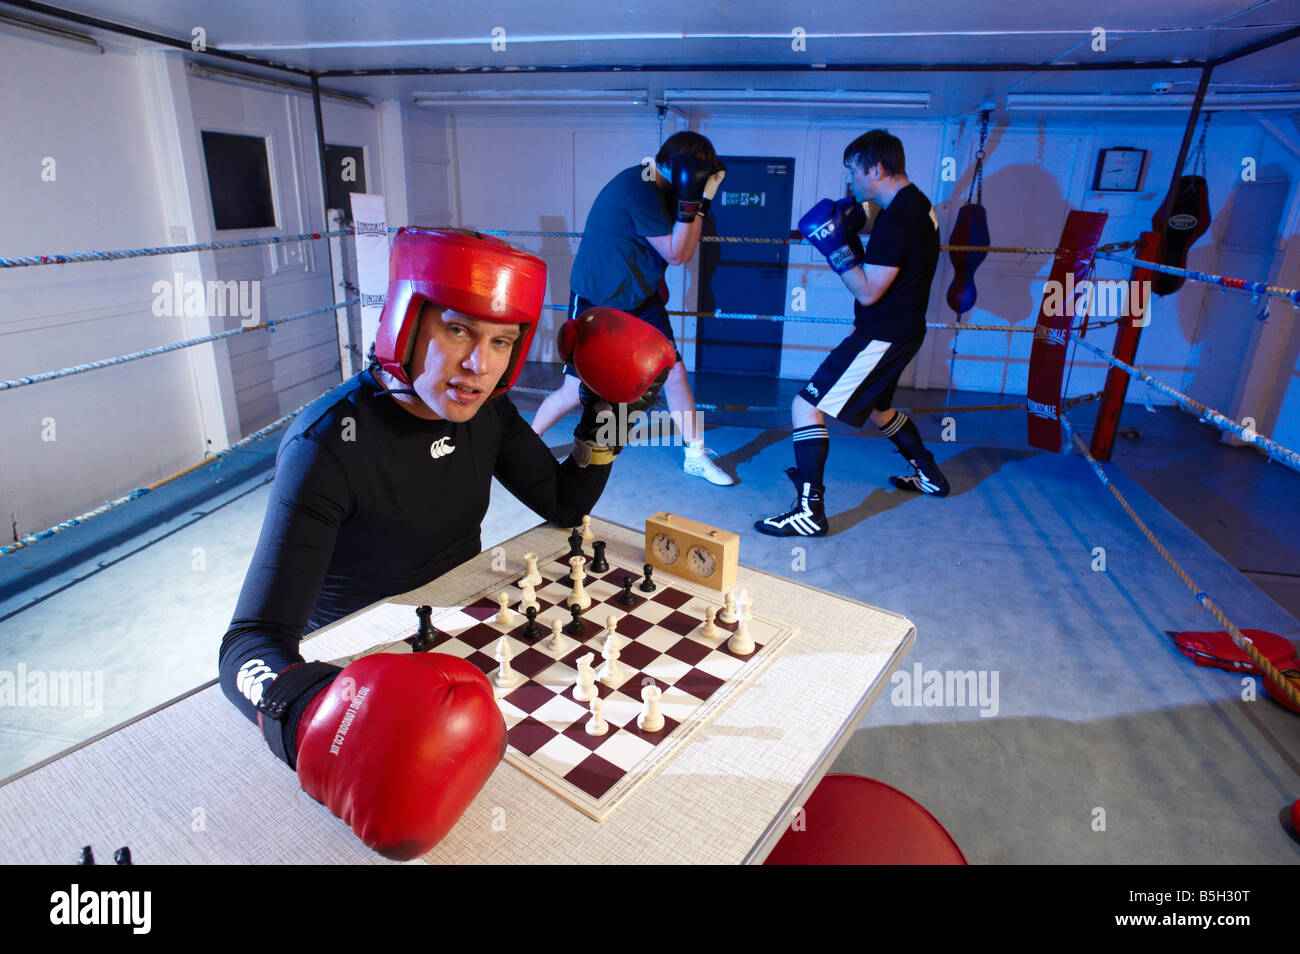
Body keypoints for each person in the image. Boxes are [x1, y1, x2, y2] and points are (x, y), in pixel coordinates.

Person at [217, 228, 672, 858]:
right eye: (457, 330)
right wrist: (317, 719)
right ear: (407, 322)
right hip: (366, 663)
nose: (478, 365)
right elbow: (246, 645)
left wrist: (609, 414)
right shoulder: (327, 445)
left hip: (472, 630)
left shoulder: (487, 411)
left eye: (501, 341)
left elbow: (565, 504)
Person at [757, 129, 948, 538]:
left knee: (806, 404)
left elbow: (868, 290)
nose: (850, 182)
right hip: (906, 331)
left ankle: (809, 511)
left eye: (853, 171)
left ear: (875, 168)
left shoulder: (897, 218)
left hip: (881, 334)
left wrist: (838, 248)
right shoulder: (919, 204)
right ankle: (928, 472)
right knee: (880, 409)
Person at [530, 131, 735, 486]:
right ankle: (525, 444)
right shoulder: (640, 185)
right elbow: (678, 252)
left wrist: (697, 198)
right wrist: (695, 201)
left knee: (674, 373)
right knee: (572, 391)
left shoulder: (666, 190)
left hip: (640, 298)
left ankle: (696, 454)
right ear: (669, 165)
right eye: (691, 174)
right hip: (599, 300)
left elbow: (679, 249)